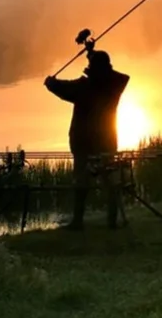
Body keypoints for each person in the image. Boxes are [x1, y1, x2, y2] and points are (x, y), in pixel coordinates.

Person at [43, 47, 131, 229]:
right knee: (110, 181)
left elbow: (60, 88)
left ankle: (77, 222)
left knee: (81, 182)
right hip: (106, 140)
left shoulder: (83, 87)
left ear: (92, 68)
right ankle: (112, 222)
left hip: (83, 141)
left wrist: (50, 82)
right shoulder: (115, 85)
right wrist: (92, 55)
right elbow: (120, 76)